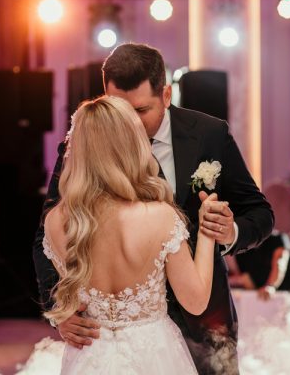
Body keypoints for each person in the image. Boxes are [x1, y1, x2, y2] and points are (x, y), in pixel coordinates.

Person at [34, 43, 274, 374]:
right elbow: (44, 238)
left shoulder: (209, 134)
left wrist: (227, 232)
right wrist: (60, 310)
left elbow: (261, 214)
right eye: (118, 108)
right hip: (109, 333)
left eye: (141, 110)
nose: (128, 123)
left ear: (165, 95)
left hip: (204, 321)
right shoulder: (83, 144)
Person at [42, 96, 218, 373]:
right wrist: (207, 232)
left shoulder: (57, 221)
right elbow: (195, 302)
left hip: (90, 355)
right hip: (155, 354)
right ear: (129, 146)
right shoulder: (160, 216)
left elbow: (73, 302)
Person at [230, 232, 290, 323]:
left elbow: (280, 262)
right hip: (266, 306)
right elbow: (247, 280)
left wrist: (270, 286)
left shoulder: (278, 239)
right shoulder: (241, 248)